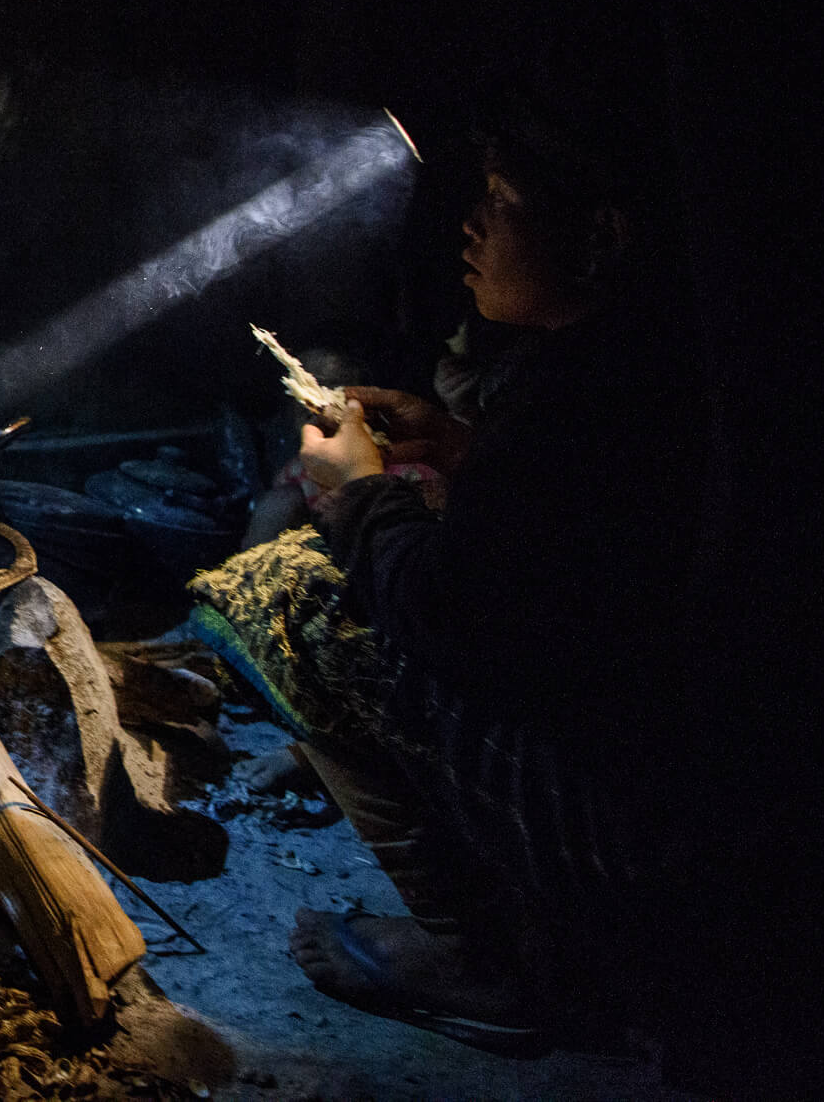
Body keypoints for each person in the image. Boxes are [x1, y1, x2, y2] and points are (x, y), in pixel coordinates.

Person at [190, 77, 704, 1057]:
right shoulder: (616, 365)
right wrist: (454, 446)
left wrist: (358, 494)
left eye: (504, 203)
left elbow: (444, 616)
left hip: (632, 821)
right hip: (650, 777)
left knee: (282, 594)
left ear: (600, 236)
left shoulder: (589, 404)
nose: (471, 224)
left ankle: (487, 958)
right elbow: (545, 537)